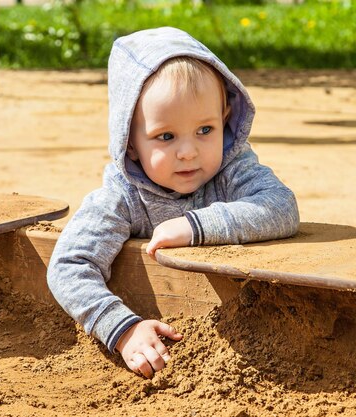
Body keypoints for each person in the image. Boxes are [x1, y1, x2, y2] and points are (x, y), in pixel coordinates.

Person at [47, 27, 299, 378]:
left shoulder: (231, 165)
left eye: (205, 130)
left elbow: (281, 207)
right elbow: (69, 265)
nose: (189, 151)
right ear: (130, 144)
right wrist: (123, 330)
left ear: (224, 118)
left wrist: (196, 226)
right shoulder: (122, 196)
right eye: (166, 136)